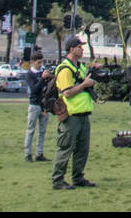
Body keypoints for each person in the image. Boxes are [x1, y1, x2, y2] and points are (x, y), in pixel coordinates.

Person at [52, 35, 97, 190]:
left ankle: (78, 177)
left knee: (82, 150)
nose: (82, 49)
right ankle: (58, 180)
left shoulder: (80, 67)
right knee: (65, 148)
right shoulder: (65, 69)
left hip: (83, 114)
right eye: (79, 47)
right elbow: (67, 93)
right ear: (71, 49)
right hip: (71, 116)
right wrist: (84, 84)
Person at [25, 56, 51, 162]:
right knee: (30, 130)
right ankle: (28, 154)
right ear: (32, 62)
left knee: (42, 131)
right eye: (38, 62)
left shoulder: (43, 72)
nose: (40, 65)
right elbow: (34, 89)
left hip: (44, 105)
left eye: (41, 62)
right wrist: (42, 78)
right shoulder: (29, 74)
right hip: (34, 105)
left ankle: (39, 154)